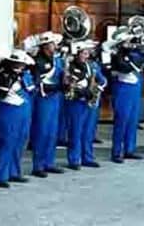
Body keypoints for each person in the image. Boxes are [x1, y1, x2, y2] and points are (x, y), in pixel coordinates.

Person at [0, 49, 35, 187]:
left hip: (23, 110)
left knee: (20, 141)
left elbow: (32, 89)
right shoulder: (0, 74)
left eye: (22, 64)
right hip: (8, 110)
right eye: (17, 64)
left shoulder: (25, 75)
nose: (20, 67)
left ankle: (14, 172)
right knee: (6, 142)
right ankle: (0, 176)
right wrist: (8, 80)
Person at [31, 32, 66, 177]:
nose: (55, 46)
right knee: (42, 131)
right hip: (44, 99)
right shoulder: (37, 62)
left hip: (55, 98)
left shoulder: (57, 60)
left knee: (52, 132)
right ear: (45, 45)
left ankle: (49, 162)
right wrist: (59, 87)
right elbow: (38, 85)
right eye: (52, 44)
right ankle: (38, 165)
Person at [63, 40, 98, 170]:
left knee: (88, 131)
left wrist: (94, 89)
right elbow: (68, 84)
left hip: (86, 102)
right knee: (75, 131)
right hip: (76, 102)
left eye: (87, 53)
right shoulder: (70, 66)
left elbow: (95, 79)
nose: (86, 55)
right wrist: (82, 92)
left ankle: (87, 157)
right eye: (83, 53)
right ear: (77, 53)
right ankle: (74, 159)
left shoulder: (90, 65)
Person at [110, 33, 144, 163]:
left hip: (134, 88)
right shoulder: (117, 55)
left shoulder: (133, 54)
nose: (131, 44)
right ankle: (116, 152)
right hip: (123, 88)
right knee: (122, 120)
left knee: (132, 120)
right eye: (128, 41)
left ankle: (130, 149)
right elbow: (124, 68)